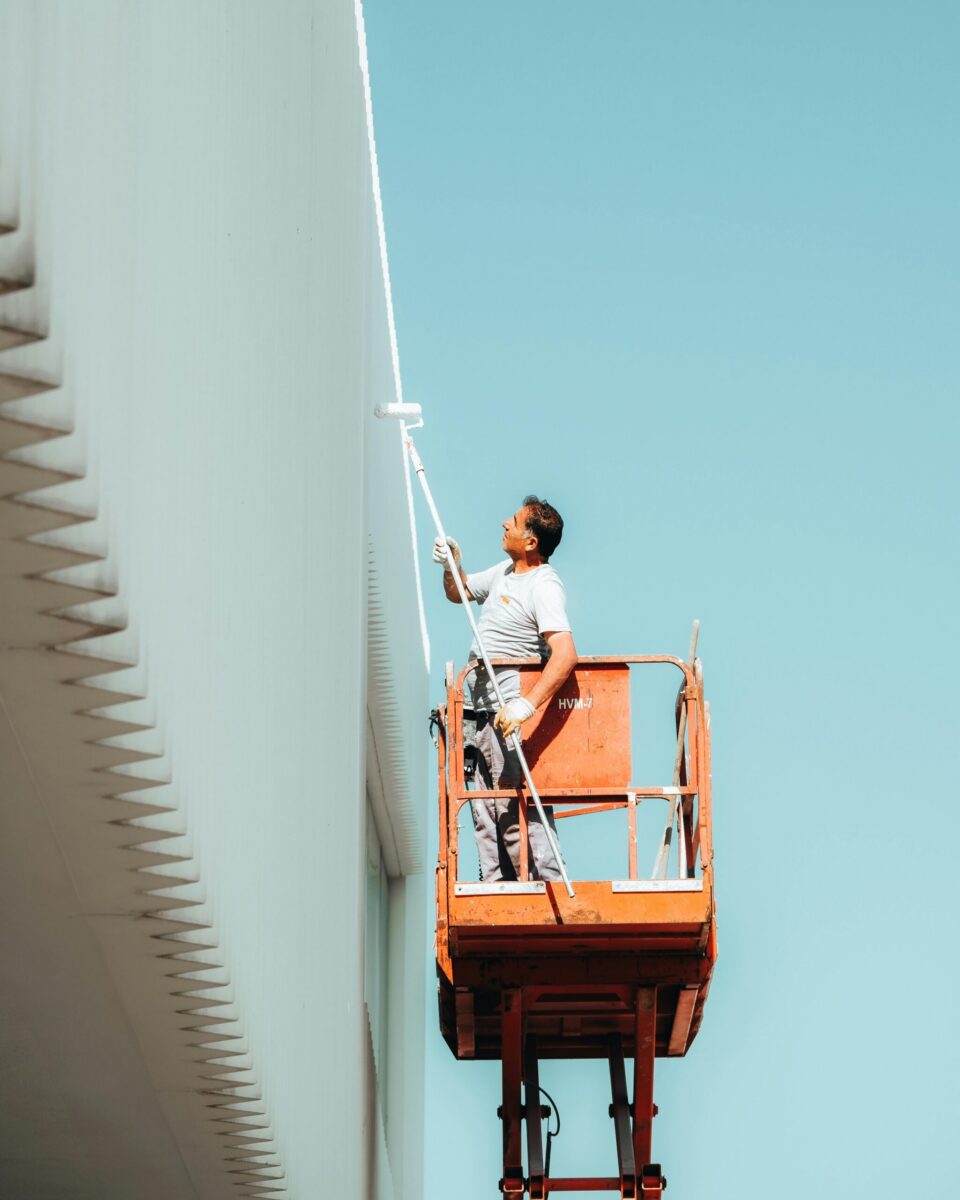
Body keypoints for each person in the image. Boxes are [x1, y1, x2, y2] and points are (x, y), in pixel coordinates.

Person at [434, 496, 578, 881]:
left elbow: (565, 653)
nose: (504, 524)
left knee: (516, 809)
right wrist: (453, 565)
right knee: (485, 810)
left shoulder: (544, 585)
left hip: (508, 707)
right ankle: (495, 887)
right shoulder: (504, 572)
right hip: (481, 711)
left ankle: (544, 887)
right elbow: (458, 592)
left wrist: (525, 706)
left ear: (531, 542)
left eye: (513, 522)